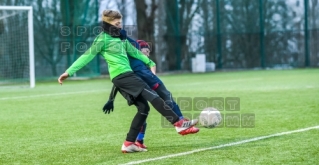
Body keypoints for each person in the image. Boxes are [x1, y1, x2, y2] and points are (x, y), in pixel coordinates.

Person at [57, 9, 198, 153]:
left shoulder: (120, 37)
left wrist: (149, 62)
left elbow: (133, 51)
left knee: (144, 108)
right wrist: (69, 72)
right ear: (108, 23)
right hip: (122, 76)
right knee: (153, 96)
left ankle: (129, 143)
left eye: (120, 23)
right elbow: (86, 56)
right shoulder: (102, 39)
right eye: (117, 23)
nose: (120, 26)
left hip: (125, 77)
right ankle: (179, 123)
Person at [103, 38, 199, 149]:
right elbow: (120, 78)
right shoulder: (131, 59)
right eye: (146, 51)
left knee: (145, 109)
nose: (148, 53)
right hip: (141, 87)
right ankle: (180, 124)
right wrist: (111, 99)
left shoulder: (139, 62)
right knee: (156, 102)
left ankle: (136, 141)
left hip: (143, 86)